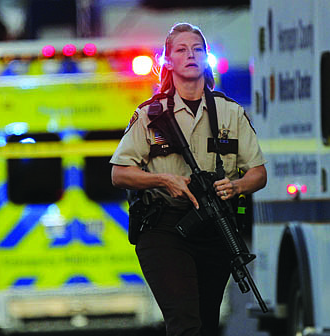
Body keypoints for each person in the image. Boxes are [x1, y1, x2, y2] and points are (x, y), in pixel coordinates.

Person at [110, 23, 267, 336]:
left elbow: (258, 173)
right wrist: (164, 180)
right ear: (168, 61)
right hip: (165, 227)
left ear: (207, 57)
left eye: (197, 49)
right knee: (185, 322)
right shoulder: (151, 115)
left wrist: (236, 186)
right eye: (181, 49)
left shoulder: (230, 112)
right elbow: (119, 173)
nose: (190, 55)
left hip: (216, 226)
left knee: (207, 323)